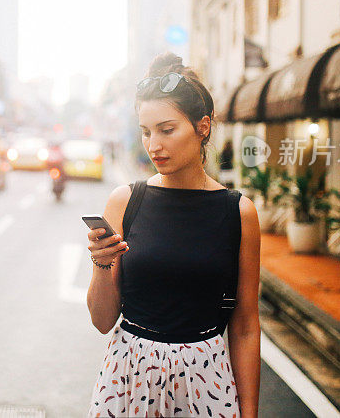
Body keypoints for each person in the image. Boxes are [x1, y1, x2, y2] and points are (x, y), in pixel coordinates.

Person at [86, 52, 261, 417]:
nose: (154, 146)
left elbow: (244, 325)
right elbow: (103, 321)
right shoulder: (125, 201)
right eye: (146, 132)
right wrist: (102, 265)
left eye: (167, 130)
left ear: (203, 126)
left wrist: (249, 413)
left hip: (206, 381)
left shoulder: (238, 212)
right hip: (128, 377)